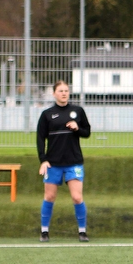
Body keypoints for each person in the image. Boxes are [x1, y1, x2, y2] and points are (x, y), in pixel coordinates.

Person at [37, 81, 91, 242]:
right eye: (60, 91)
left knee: (76, 197)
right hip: (53, 163)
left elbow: (87, 132)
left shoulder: (78, 111)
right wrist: (43, 160)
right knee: (49, 197)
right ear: (54, 94)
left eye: (66, 91)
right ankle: (44, 231)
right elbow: (40, 139)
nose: (64, 93)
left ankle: (82, 231)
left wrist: (77, 128)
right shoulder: (47, 114)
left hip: (73, 162)